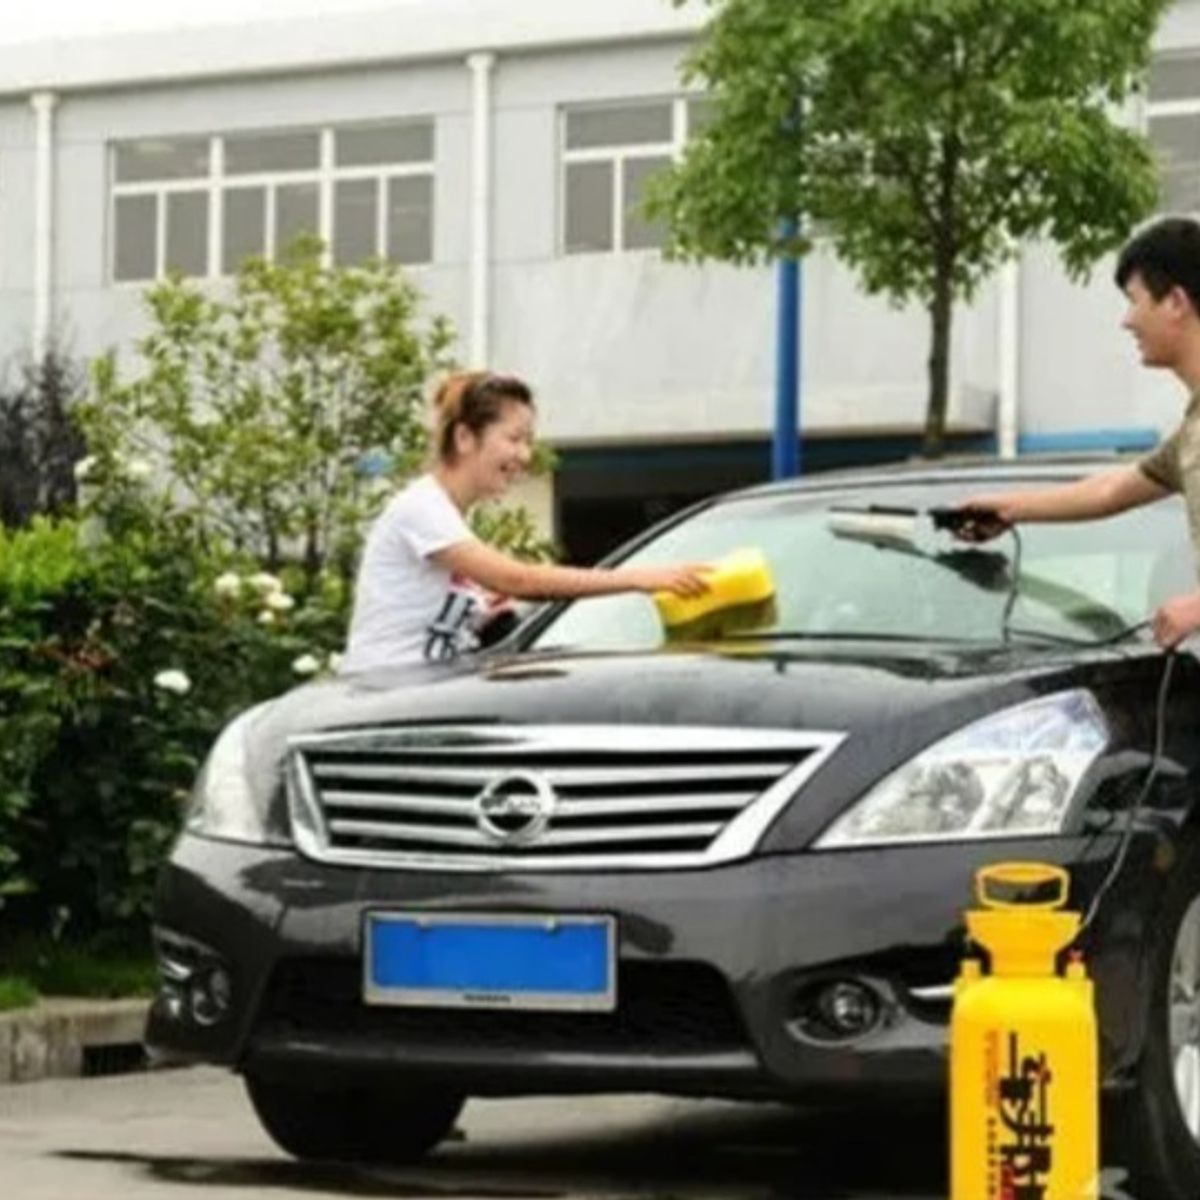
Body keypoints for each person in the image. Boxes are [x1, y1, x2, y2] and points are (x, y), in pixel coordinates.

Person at [338, 370, 709, 673]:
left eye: (528, 441)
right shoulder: (421, 508)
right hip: (387, 697)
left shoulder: (452, 518)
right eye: (514, 439)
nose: (524, 455)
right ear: (465, 437)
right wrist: (639, 578)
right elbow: (519, 579)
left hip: (430, 693)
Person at [956, 216, 1200, 648]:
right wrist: (1010, 510)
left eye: (1134, 300)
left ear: (1176, 302)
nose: (1127, 321)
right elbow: (1110, 492)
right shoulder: (1190, 431)